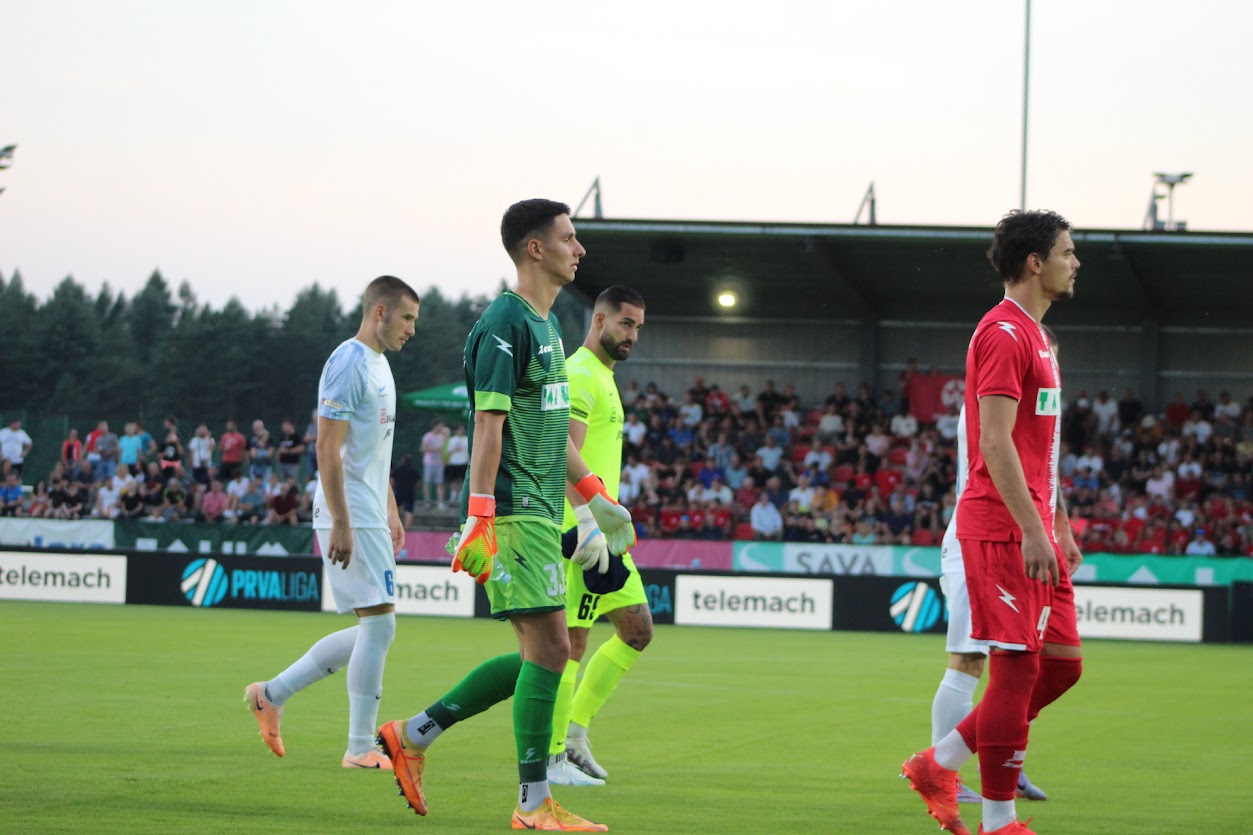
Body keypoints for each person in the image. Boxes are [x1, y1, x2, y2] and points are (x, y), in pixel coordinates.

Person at [375, 199, 632, 832]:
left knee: (543, 655)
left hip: (542, 511)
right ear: (536, 249)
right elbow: (488, 426)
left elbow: (552, 435)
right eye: (569, 238)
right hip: (513, 512)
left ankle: (413, 734)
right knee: (552, 651)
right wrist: (481, 516)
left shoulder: (549, 327)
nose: (580, 249)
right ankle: (531, 803)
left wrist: (596, 499)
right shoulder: (504, 323)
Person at [903, 210, 1085, 835]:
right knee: (1013, 668)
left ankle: (940, 761)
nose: (1075, 262)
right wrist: (1033, 528)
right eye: (1066, 252)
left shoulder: (1037, 339)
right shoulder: (1004, 333)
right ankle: (1000, 821)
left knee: (1061, 664)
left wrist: (1058, 521)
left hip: (1033, 525)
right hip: (1001, 527)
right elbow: (996, 442)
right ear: (1035, 262)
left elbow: (1041, 450)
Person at [244, 275, 420, 769]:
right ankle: (359, 746)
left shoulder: (381, 365)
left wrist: (390, 507)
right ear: (380, 312)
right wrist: (342, 519)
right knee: (380, 626)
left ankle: (270, 695)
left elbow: (373, 449)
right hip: (350, 510)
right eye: (407, 318)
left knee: (375, 629)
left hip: (368, 508)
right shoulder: (348, 361)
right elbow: (327, 445)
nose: (412, 329)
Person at [928, 326, 1061, 807]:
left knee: (1021, 665)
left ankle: (1004, 761)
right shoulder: (994, 404)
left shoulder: (1030, 409)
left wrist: (1059, 526)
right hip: (979, 538)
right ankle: (942, 774)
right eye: (1045, 360)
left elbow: (1044, 470)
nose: (1050, 371)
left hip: (1012, 538)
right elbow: (1001, 456)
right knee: (969, 660)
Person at [544, 285, 650, 788]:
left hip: (606, 532)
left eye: (638, 328)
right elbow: (563, 451)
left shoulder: (603, 376)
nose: (632, 335)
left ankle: (574, 735)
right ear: (600, 319)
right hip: (581, 532)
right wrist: (584, 522)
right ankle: (552, 759)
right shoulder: (581, 374)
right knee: (571, 644)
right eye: (626, 324)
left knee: (637, 631)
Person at [420, 419, 448, 508]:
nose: (442, 428)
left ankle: (440, 502)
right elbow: (423, 448)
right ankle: (427, 501)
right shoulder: (428, 436)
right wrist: (436, 449)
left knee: (440, 483)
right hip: (429, 462)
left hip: (440, 462)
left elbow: (446, 448)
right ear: (435, 426)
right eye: (440, 426)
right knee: (427, 482)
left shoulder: (443, 437)